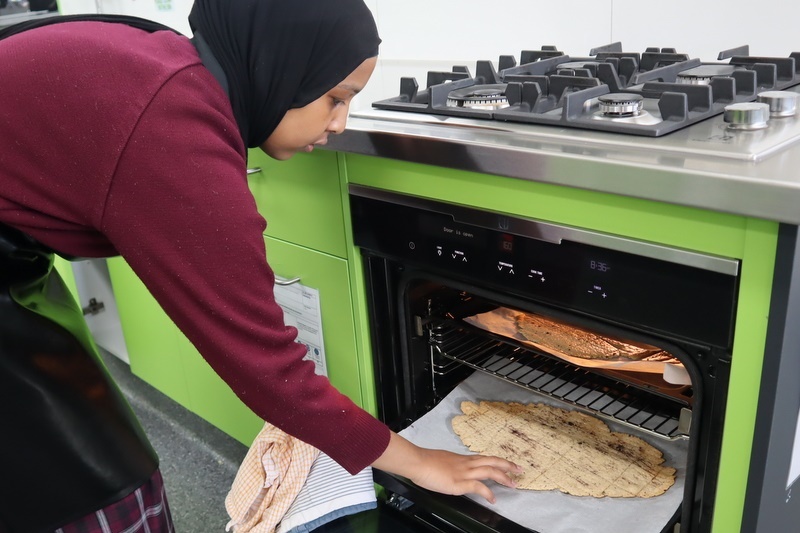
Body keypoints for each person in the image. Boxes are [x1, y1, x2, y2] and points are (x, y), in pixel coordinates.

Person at [0, 0, 522, 531]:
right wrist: (419, 461)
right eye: (335, 98)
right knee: (97, 491)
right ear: (282, 67)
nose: (340, 123)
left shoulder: (172, 69)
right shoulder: (172, 127)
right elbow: (267, 368)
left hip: (16, 261)